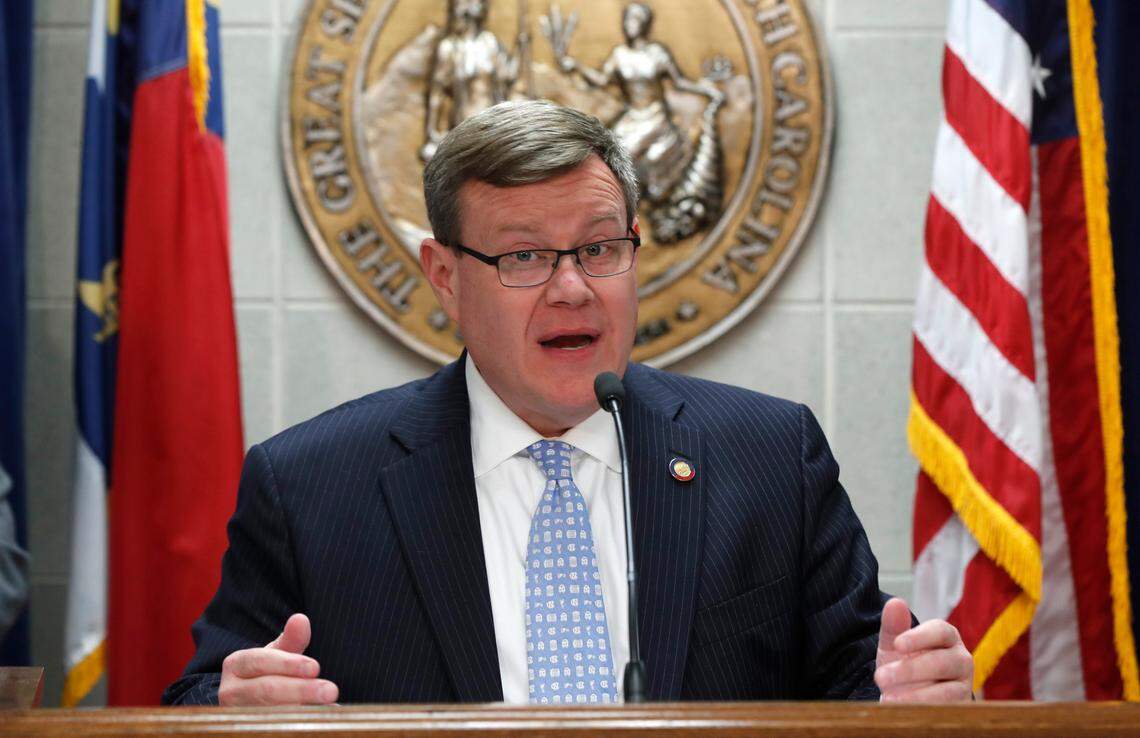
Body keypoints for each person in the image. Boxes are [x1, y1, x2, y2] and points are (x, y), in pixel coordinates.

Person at [163, 100, 973, 706]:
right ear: (444, 276)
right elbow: (198, 698)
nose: (575, 288)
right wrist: (233, 708)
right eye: (524, 256)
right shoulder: (309, 485)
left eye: (599, 247)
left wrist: (918, 700)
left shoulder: (770, 455)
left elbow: (858, 685)